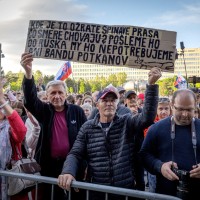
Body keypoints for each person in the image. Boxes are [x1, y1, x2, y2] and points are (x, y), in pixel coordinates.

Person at [58, 67, 161, 200]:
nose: (109, 104)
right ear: (97, 104)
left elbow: (147, 117)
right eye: (105, 100)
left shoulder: (127, 122)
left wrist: (151, 85)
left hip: (125, 191)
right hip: (97, 191)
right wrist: (68, 171)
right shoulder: (87, 128)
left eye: (112, 100)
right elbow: (75, 153)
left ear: (117, 104)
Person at [20, 52, 87, 200]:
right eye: (53, 93)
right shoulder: (44, 111)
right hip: (48, 166)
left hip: (73, 165)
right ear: (48, 96)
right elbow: (30, 100)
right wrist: (28, 72)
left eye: (60, 92)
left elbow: (85, 137)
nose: (57, 96)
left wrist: (86, 163)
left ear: (66, 93)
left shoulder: (77, 111)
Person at [140, 89, 200, 200]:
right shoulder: (156, 129)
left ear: (195, 107)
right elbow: (144, 155)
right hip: (165, 195)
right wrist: (160, 166)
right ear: (172, 105)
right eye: (180, 109)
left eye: (189, 110)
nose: (185, 114)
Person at [0, 77, 27, 200]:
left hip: (10, 181)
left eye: (2, 107)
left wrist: (2, 100)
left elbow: (21, 131)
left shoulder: (10, 127)